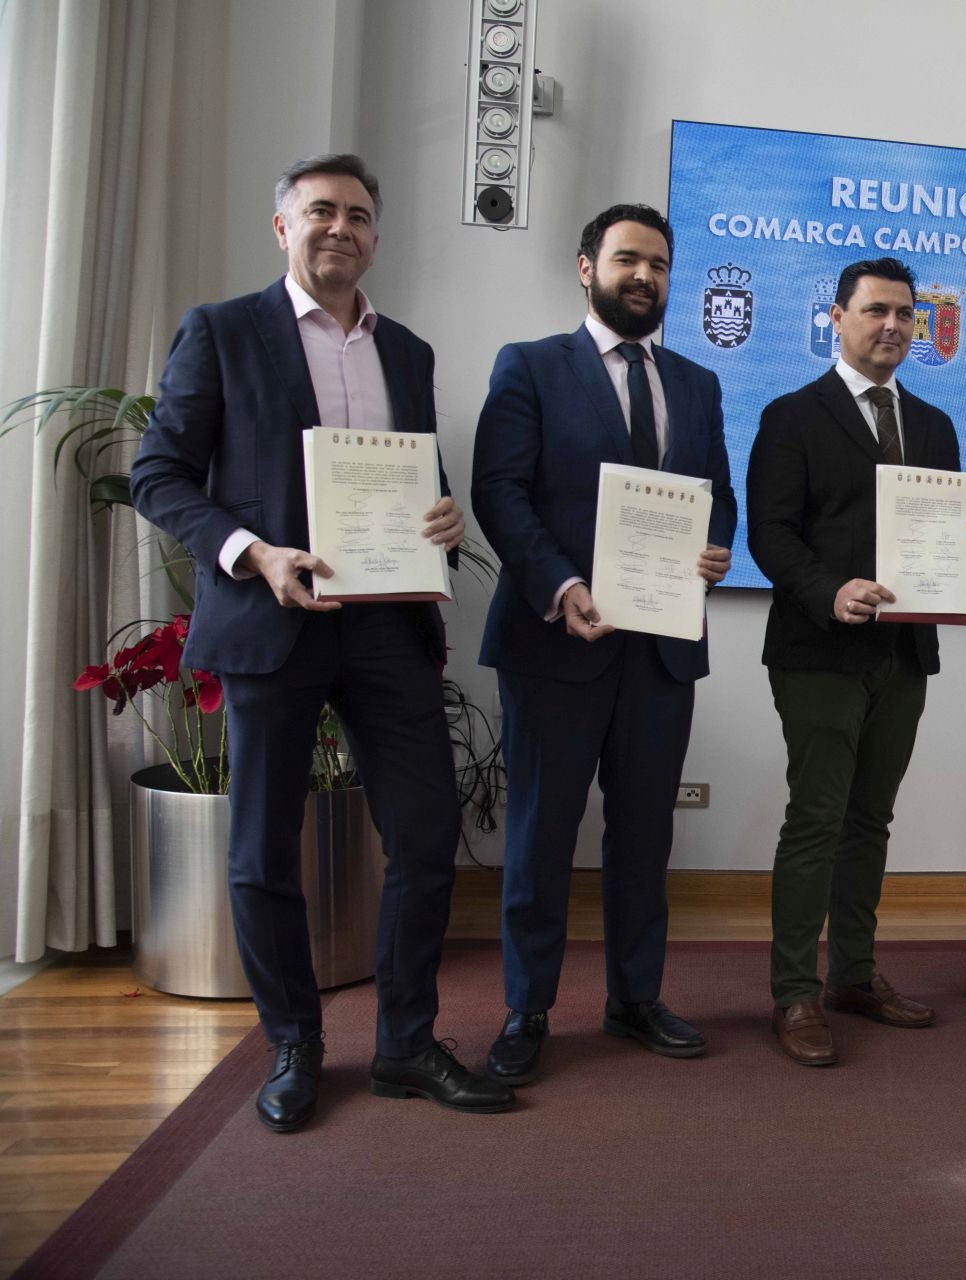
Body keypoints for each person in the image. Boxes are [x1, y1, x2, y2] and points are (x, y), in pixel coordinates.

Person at [128, 154, 511, 1131]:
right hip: (273, 620)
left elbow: (407, 479)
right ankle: (295, 1043)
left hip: (387, 625)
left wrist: (441, 521)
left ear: (376, 234)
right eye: (321, 211)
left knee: (426, 838)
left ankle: (405, 1044)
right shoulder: (221, 332)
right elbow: (159, 473)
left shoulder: (410, 352)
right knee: (262, 849)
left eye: (360, 214)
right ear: (282, 226)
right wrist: (253, 553)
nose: (341, 226)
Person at [470, 203, 737, 1082]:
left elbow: (719, 497)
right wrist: (563, 585)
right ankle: (528, 1009)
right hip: (555, 640)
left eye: (659, 263)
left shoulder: (698, 384)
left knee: (644, 836)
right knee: (543, 834)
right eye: (627, 259)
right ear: (587, 268)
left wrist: (714, 546)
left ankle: (635, 997)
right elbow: (500, 492)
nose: (645, 276)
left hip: (660, 650)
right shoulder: (533, 366)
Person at [747, 257, 966, 1065]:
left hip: (905, 652)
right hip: (819, 649)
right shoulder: (792, 414)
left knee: (870, 821)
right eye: (876, 311)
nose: (893, 325)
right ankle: (794, 992)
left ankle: (852, 974)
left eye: (905, 314)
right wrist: (830, 590)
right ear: (837, 317)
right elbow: (772, 535)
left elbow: (938, 538)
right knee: (816, 820)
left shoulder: (933, 425)